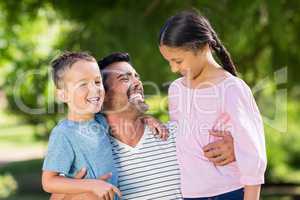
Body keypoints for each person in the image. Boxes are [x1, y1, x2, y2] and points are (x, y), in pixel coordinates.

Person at [51, 52, 237, 200]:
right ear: (102, 95)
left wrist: (234, 148)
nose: (137, 83)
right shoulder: (92, 149)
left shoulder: (172, 134)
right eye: (125, 79)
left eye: (136, 76)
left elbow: (229, 153)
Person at [158, 10, 267, 200]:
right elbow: (183, 140)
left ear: (203, 47)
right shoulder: (176, 89)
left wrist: (237, 146)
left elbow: (253, 155)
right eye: (169, 62)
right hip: (189, 195)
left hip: (227, 193)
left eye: (178, 61)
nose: (174, 69)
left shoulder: (231, 88)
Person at [41, 52, 121, 200]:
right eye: (83, 84)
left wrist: (148, 119)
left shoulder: (102, 120)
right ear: (63, 95)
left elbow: (130, 119)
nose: (94, 89)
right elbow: (48, 181)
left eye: (97, 82)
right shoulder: (64, 133)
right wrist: (93, 185)